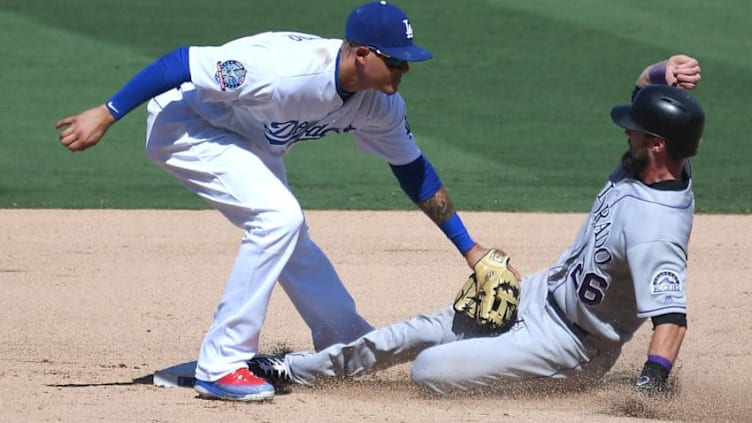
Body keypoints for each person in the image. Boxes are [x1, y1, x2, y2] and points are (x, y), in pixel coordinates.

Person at [55, 1, 513, 402]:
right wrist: (106, 113)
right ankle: (221, 365)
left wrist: (471, 250)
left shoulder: (380, 103)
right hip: (188, 124)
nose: (403, 71)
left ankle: (343, 344)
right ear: (362, 54)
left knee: (292, 237)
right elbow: (182, 60)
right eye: (395, 62)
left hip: (250, 141)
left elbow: (414, 171)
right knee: (278, 218)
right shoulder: (280, 70)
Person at [248, 55, 705, 395]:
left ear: (658, 145)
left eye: (636, 129)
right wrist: (663, 73)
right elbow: (642, 94)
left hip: (571, 348)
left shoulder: (657, 227)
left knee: (429, 371)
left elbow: (671, 317)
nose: (626, 131)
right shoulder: (641, 164)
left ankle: (551, 388)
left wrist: (653, 385)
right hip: (538, 296)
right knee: (413, 332)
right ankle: (298, 370)